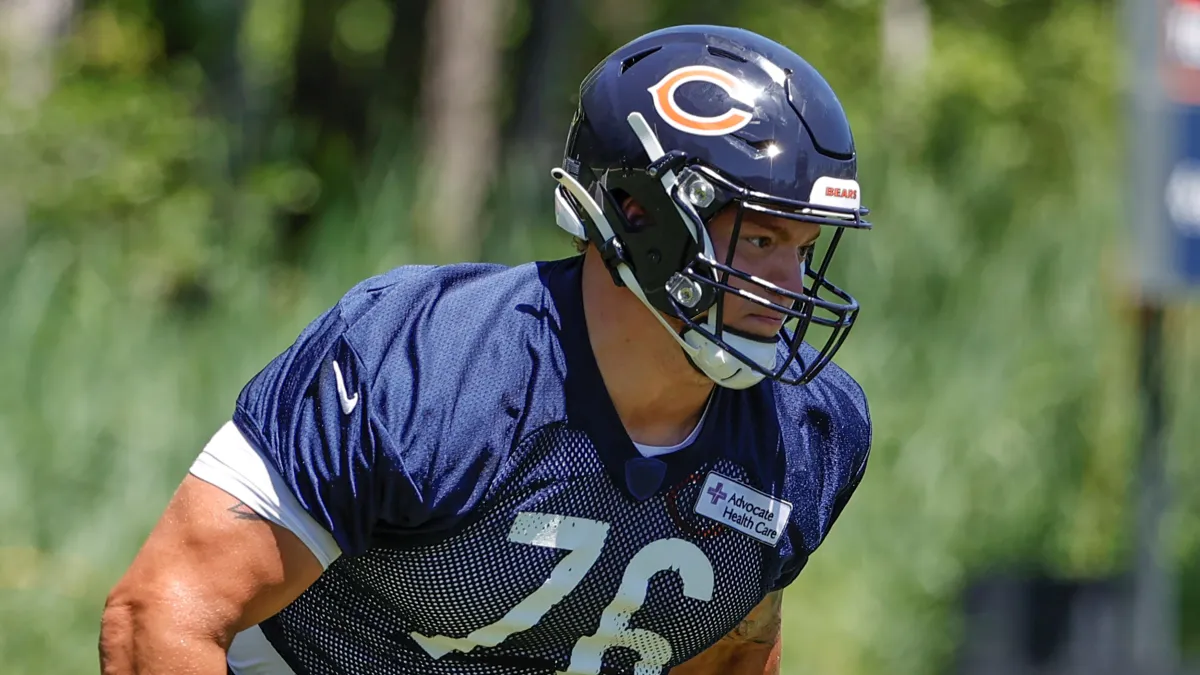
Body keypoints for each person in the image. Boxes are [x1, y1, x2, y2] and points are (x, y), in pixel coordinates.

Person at [100, 23, 873, 675]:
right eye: (762, 238)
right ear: (637, 213)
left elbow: (735, 642)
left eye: (805, 245)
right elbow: (160, 616)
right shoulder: (432, 362)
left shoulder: (808, 429)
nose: (790, 285)